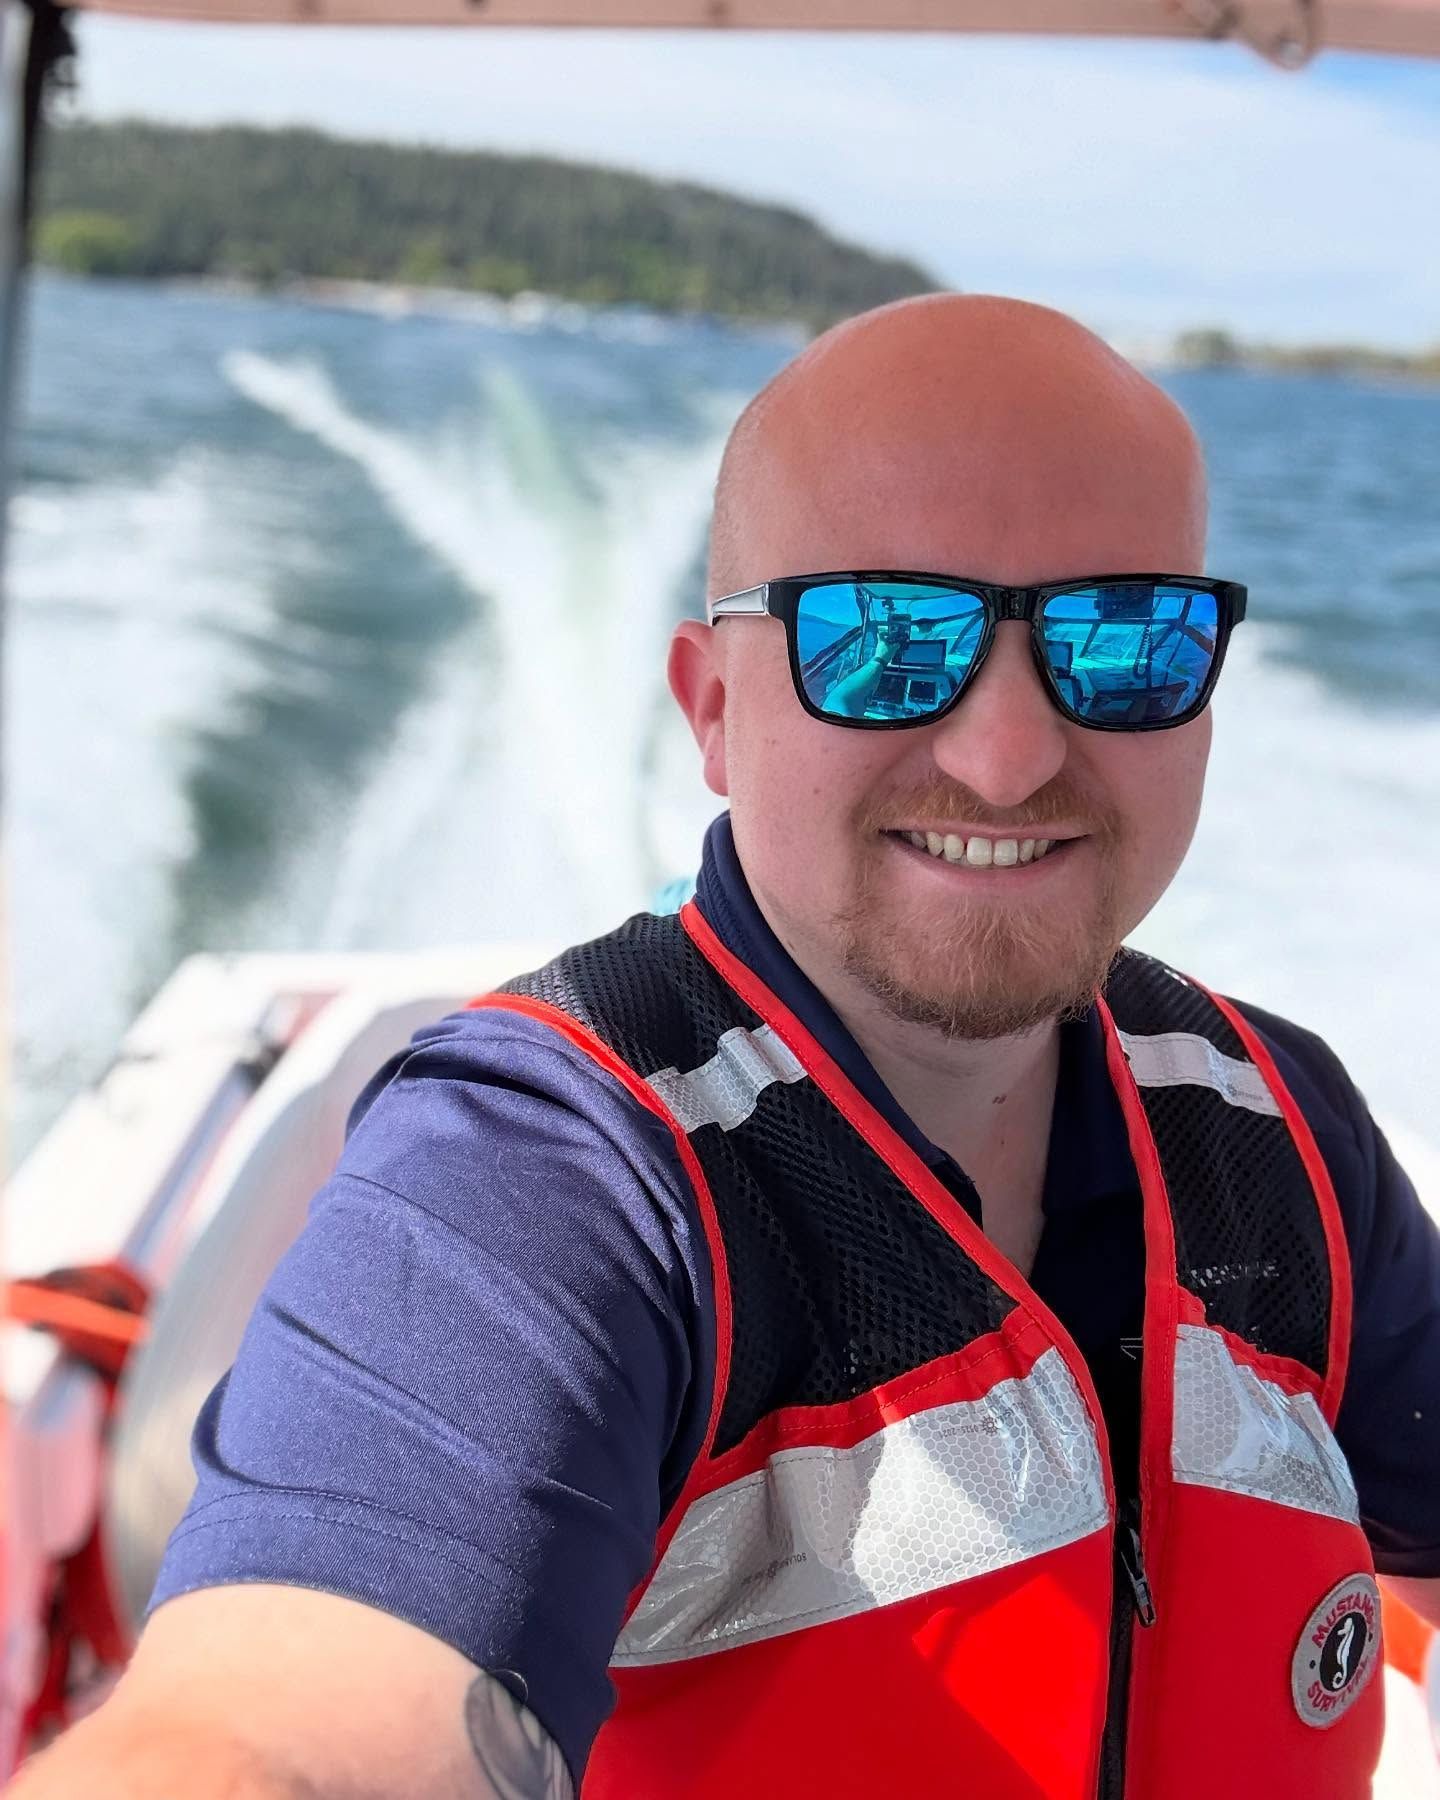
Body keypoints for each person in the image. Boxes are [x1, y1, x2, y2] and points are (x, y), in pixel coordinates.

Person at [17, 294, 1440, 1799]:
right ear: (710, 706)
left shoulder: (1280, 1136)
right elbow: (279, 1734)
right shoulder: (548, 1179)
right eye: (887, 640)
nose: (1009, 752)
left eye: (1125, 639)